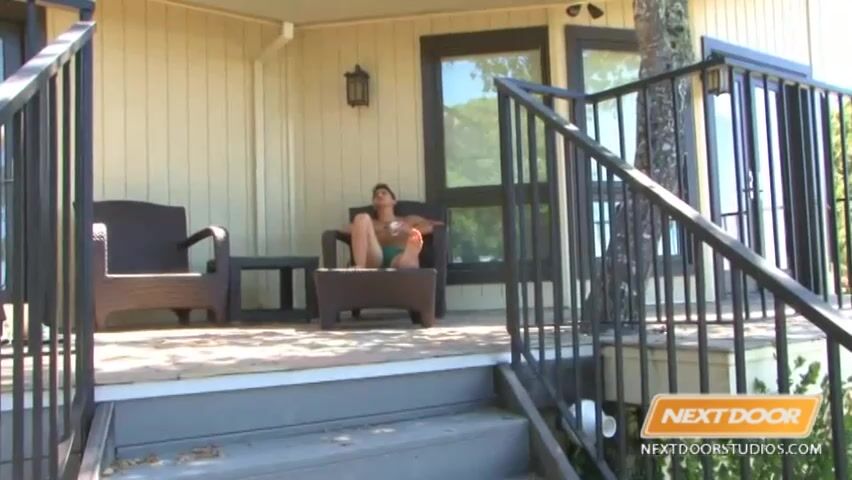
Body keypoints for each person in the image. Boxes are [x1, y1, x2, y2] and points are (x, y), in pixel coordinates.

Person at [342, 183, 442, 269]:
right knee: (361, 217)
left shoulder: (407, 220)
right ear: (374, 204)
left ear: (394, 201)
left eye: (384, 193)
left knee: (405, 259)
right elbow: (345, 229)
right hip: (375, 257)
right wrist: (382, 228)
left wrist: (408, 229)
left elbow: (437, 225)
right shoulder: (370, 223)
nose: (379, 195)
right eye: (376, 195)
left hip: (399, 255)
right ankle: (359, 268)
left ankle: (410, 254)